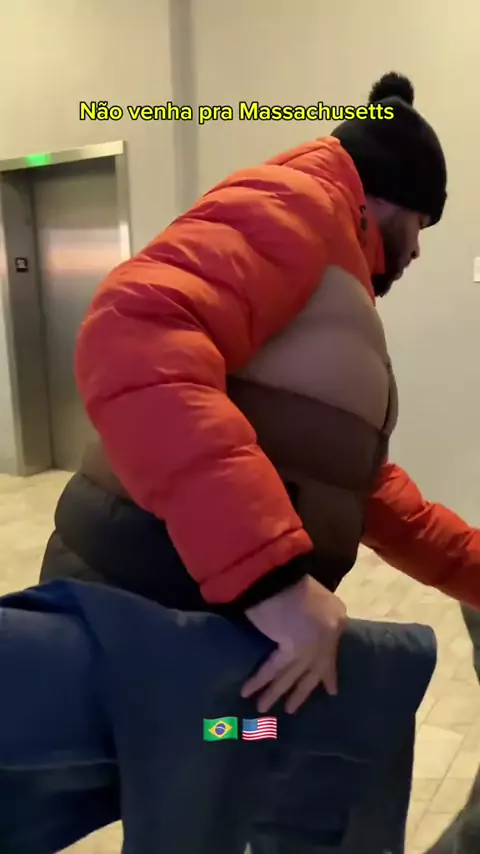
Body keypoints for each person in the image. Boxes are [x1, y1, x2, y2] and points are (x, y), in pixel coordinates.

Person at [40, 70, 480, 719]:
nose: (416, 250)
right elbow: (134, 328)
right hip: (153, 607)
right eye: (422, 224)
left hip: (205, 622)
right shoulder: (297, 204)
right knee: (216, 752)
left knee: (247, 746)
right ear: (388, 198)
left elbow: (344, 479)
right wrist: (272, 583)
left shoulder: (329, 261)